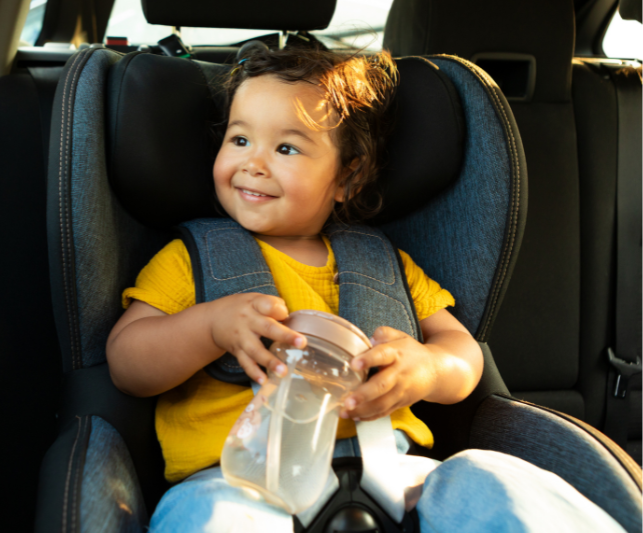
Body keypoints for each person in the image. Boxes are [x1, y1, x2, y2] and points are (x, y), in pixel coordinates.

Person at [105, 47, 624, 532]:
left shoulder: (383, 264)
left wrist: (427, 368)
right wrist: (209, 328)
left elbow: (463, 351)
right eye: (239, 140)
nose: (253, 163)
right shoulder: (192, 260)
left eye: (286, 148)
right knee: (210, 516)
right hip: (240, 479)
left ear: (347, 178)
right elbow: (127, 363)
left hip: (394, 476)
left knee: (490, 476)